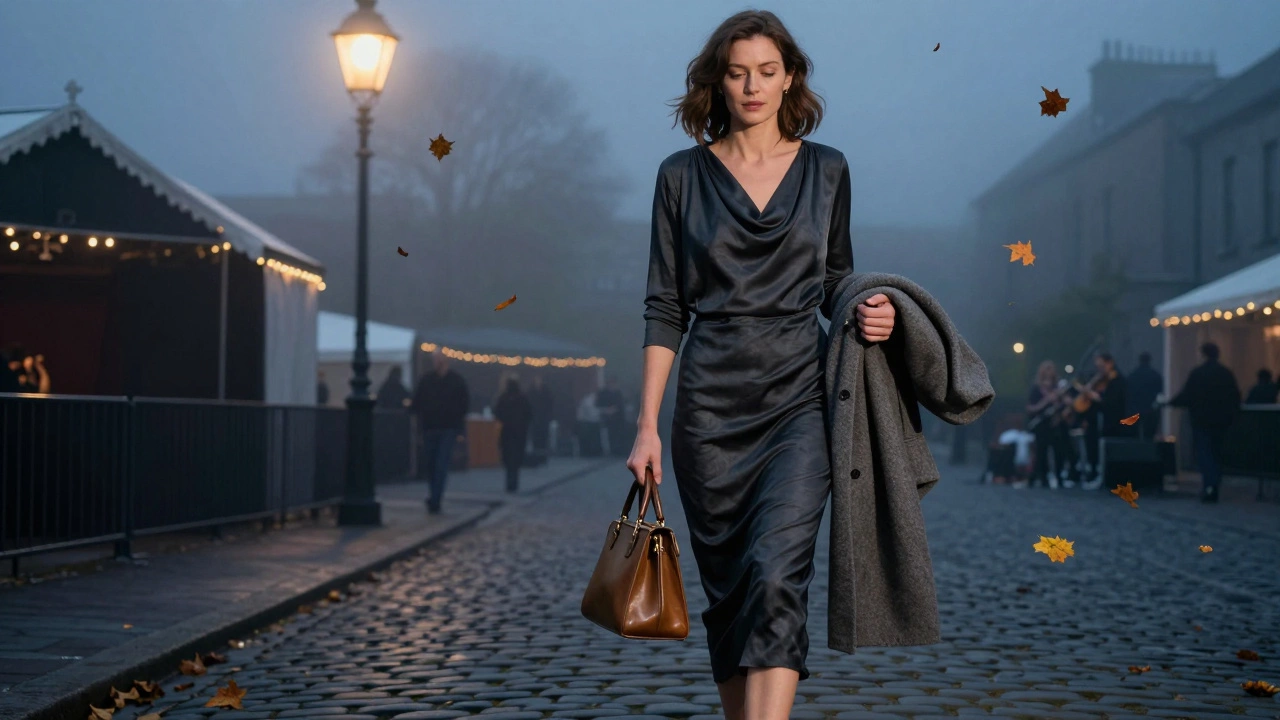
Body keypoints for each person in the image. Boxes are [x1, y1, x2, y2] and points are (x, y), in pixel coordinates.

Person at [624, 12, 899, 717]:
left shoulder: (828, 169)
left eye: (767, 71)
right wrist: (647, 426)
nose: (752, 86)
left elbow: (837, 278)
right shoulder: (679, 177)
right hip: (708, 413)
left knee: (777, 576)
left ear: (790, 79)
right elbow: (664, 307)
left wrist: (872, 307)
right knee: (730, 596)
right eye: (738, 71)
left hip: (799, 403)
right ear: (718, 80)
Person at [1167, 342, 1241, 503]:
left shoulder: (1198, 373)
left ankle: (1209, 485)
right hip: (1221, 422)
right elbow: (1235, 397)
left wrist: (1169, 403)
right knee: (1217, 454)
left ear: (1203, 354)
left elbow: (1187, 395)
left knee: (1205, 454)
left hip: (1201, 421)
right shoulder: (1225, 373)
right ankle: (1214, 485)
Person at [410, 352, 470, 514]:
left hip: (446, 428)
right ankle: (434, 495)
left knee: (440, 464)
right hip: (431, 427)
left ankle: (435, 498)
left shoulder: (456, 381)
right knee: (431, 465)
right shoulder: (427, 380)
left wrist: (458, 427)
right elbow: (417, 402)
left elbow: (463, 405)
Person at [1079, 351, 1127, 488]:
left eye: (1101, 365)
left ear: (1110, 363)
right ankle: (1095, 472)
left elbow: (1113, 402)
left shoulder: (1117, 380)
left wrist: (1096, 397)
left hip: (1112, 421)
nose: (1099, 369)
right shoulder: (1101, 380)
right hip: (1097, 422)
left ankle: (1106, 476)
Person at [1025, 360, 1071, 489]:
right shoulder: (1036, 388)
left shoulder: (1059, 387)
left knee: (1059, 451)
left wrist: (1063, 400)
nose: (1049, 371)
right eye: (1046, 369)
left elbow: (1068, 402)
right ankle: (1043, 477)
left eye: (1051, 369)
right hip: (1042, 425)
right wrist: (1046, 401)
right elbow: (1030, 408)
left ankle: (1059, 476)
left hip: (1057, 423)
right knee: (1042, 451)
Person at [493, 377, 533, 493]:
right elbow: (529, 414)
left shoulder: (503, 398)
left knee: (508, 457)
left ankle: (510, 482)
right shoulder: (523, 399)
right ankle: (513, 482)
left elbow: (497, 412)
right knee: (516, 459)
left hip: (507, 431)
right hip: (520, 432)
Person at [1127, 351, 1164, 440]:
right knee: (1149, 437)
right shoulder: (1156, 375)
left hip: (1135, 409)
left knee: (1134, 437)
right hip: (1150, 409)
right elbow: (1159, 393)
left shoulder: (1132, 376)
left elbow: (1129, 393)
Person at [594, 376, 627, 456]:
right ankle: (609, 451)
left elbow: (621, 405)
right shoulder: (602, 393)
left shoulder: (618, 393)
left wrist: (615, 409)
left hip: (618, 418)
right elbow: (598, 404)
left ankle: (618, 450)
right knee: (607, 435)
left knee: (618, 434)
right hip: (606, 418)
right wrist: (606, 410)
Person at [527, 374, 553, 455]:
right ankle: (536, 453)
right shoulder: (531, 392)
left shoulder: (546, 392)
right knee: (535, 436)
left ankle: (543, 453)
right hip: (534, 418)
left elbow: (549, 404)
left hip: (544, 418)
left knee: (544, 436)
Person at [575, 390, 603, 457]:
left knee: (590, 438)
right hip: (587, 422)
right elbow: (592, 414)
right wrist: (604, 411)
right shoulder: (589, 401)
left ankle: (591, 452)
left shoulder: (588, 400)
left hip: (587, 422)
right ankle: (591, 453)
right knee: (591, 438)